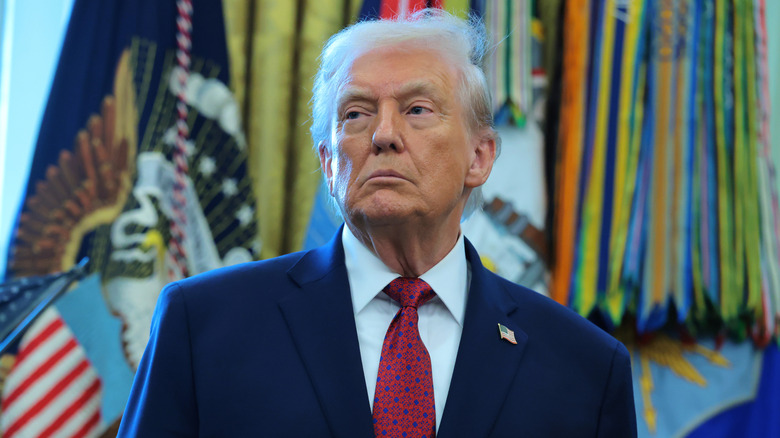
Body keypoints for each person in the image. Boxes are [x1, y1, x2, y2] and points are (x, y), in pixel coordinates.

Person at [118, 8, 637, 438]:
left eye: (416, 109)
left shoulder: (585, 367)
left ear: (480, 157)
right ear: (328, 161)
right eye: (356, 114)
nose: (383, 135)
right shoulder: (203, 324)